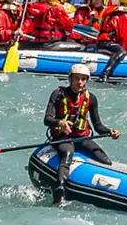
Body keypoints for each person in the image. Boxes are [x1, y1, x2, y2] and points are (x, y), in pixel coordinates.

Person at [42, 64, 122, 204]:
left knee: (104, 159)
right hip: (62, 137)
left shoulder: (91, 99)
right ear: (70, 79)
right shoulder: (58, 94)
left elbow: (97, 126)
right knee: (67, 154)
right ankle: (60, 189)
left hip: (82, 137)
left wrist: (110, 132)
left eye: (83, 79)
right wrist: (60, 123)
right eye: (77, 78)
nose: (80, 82)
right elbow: (47, 119)